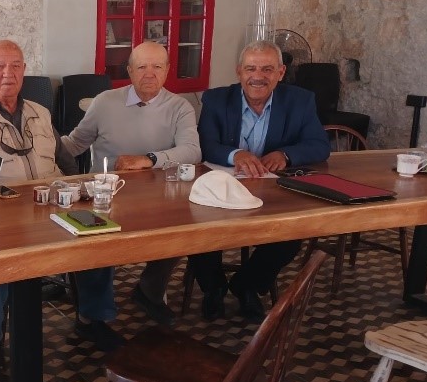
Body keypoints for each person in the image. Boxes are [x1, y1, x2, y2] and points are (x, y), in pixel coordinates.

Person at [0, 39, 119, 357]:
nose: (8, 73)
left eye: (15, 66)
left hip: (52, 208)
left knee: (98, 236)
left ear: (24, 71)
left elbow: (67, 163)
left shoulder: (40, 112)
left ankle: (92, 318)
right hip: (1, 216)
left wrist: (78, 195)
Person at [62, 41, 201, 326]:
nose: (149, 73)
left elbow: (192, 151)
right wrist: (38, 150)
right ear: (129, 71)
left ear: (167, 70)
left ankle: (150, 290)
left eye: (157, 66)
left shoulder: (180, 107)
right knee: (94, 239)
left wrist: (149, 159)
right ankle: (94, 317)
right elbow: (75, 143)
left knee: (182, 231)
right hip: (106, 197)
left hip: (160, 197)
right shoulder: (105, 102)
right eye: (141, 67)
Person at [190, 39, 330, 322]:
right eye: (251, 68)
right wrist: (236, 154)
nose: (258, 76)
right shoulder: (216, 99)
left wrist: (286, 154)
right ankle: (213, 288)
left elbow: (319, 145)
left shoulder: (300, 100)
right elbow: (206, 144)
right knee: (196, 227)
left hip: (272, 190)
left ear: (281, 72)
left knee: (291, 234)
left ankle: (248, 285)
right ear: (239, 71)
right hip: (220, 186)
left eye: (267, 69)